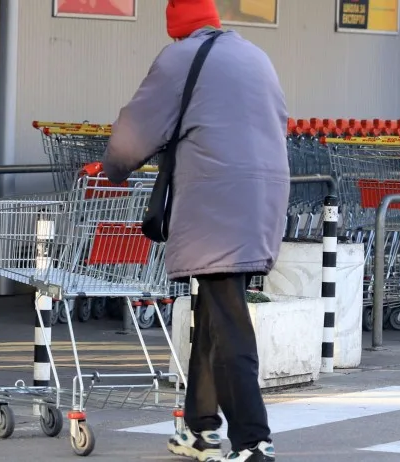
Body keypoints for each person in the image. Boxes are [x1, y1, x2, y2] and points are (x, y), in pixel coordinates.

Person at [102, 0, 289, 460]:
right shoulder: (254, 55)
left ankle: (252, 439)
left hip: (217, 210)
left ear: (177, 28)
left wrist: (112, 168)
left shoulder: (181, 58)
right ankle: (200, 429)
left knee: (228, 323)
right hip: (263, 198)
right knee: (212, 313)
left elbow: (138, 126)